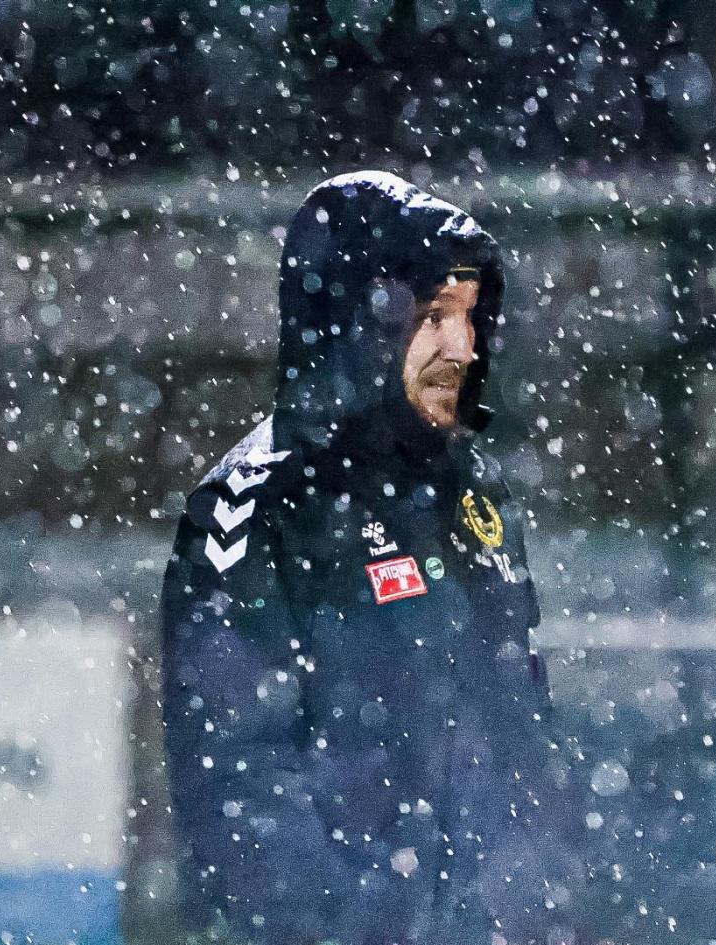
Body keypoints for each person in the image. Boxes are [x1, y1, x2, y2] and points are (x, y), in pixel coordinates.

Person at [160, 172, 582, 945]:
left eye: (469, 317)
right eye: (432, 317)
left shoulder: (471, 494)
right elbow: (236, 783)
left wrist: (548, 910)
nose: (463, 345)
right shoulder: (254, 506)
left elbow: (523, 733)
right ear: (358, 327)